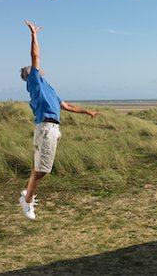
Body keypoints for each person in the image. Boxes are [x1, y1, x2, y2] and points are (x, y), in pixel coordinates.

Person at [19, 20, 99, 220]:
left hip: (50, 128)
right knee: (43, 170)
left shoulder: (49, 88)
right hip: (47, 128)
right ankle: (27, 201)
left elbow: (67, 106)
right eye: (35, 69)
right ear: (32, 75)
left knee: (39, 168)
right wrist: (34, 35)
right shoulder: (35, 83)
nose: (39, 68)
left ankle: (27, 194)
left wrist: (88, 112)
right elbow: (35, 55)